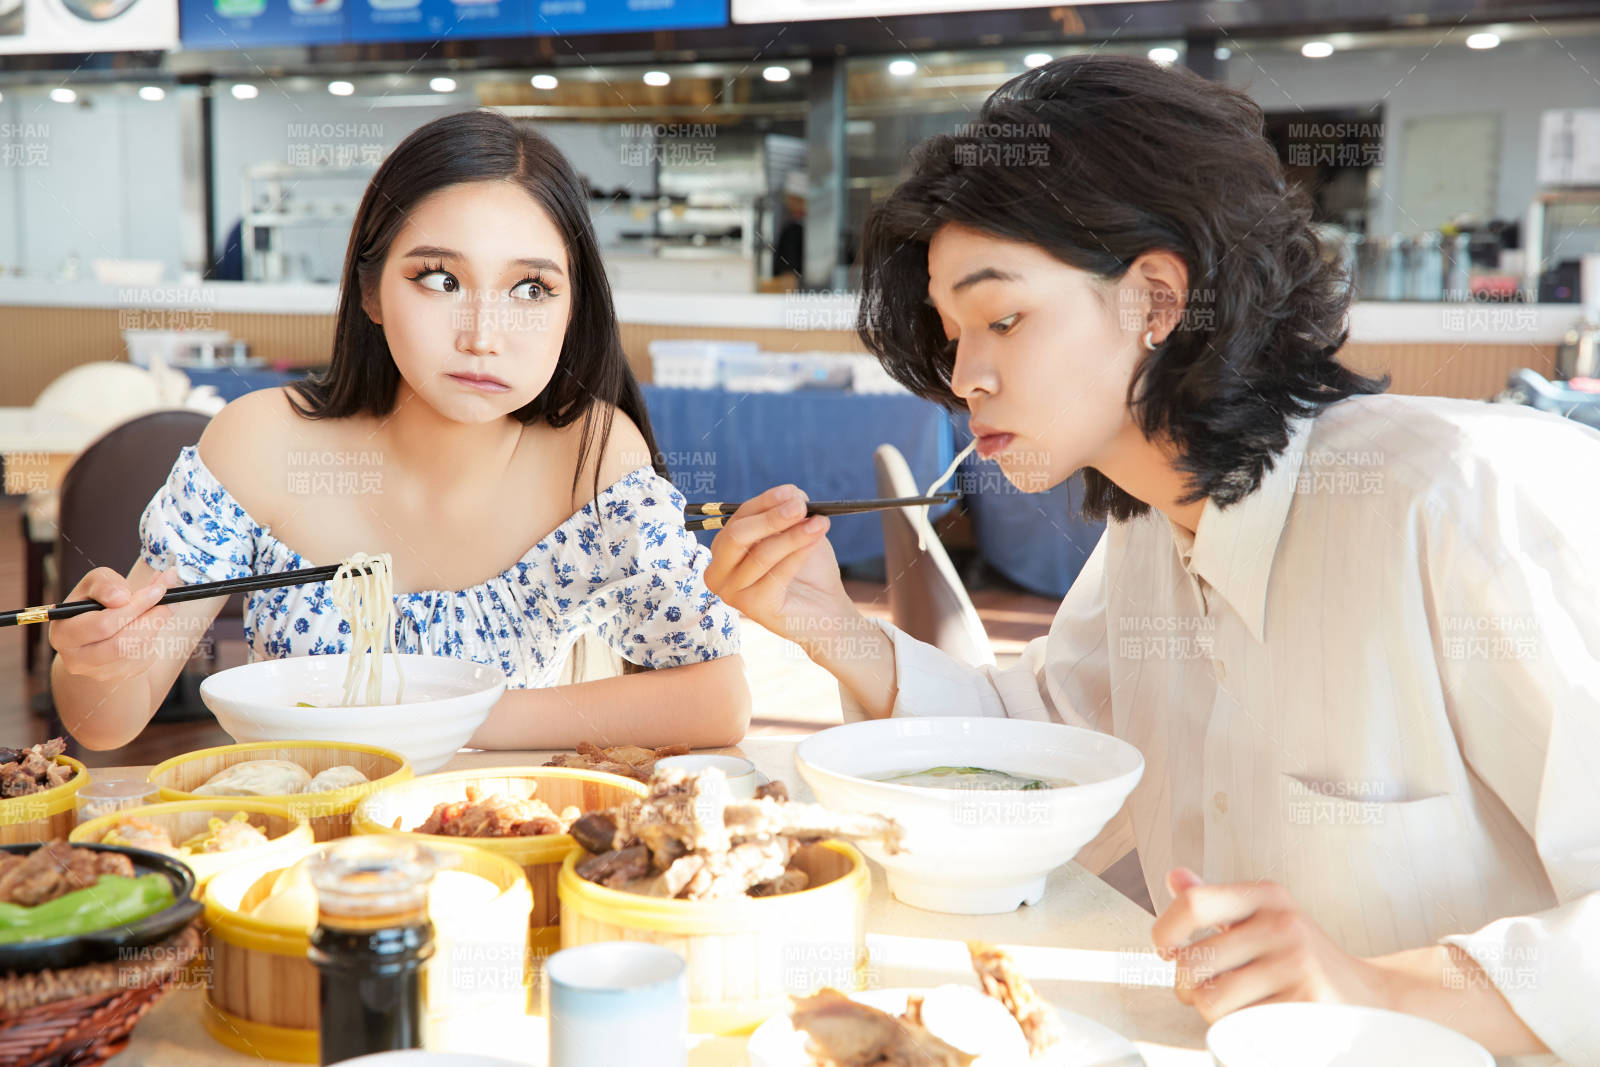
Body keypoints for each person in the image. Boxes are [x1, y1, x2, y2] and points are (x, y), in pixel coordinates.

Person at [706, 55, 1598, 1060]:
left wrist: (1380, 983)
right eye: (953, 334)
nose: (964, 376)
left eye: (1000, 318)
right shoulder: (1152, 528)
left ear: (1157, 300)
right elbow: (1036, 755)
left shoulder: (1467, 499)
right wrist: (829, 625)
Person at [51, 110, 749, 752]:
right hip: (305, 837)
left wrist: (436, 713)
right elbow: (107, 722)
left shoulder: (592, 456)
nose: (483, 336)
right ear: (370, 290)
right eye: (440, 279)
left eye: (530, 288)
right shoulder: (259, 443)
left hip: (496, 840)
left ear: (574, 306)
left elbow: (714, 701)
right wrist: (91, 658)